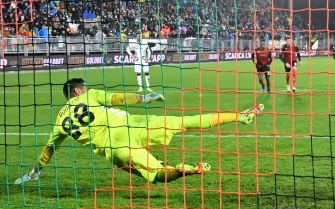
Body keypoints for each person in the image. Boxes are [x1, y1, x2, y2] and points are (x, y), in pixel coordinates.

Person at [15, 78, 264, 185]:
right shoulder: (90, 95)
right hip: (132, 126)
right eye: (84, 86)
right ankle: (241, 117)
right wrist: (146, 96)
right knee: (186, 122)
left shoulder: (60, 121)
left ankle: (185, 171)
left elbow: (49, 150)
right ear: (78, 91)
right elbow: (117, 97)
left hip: (116, 151)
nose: (87, 88)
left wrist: (34, 173)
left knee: (155, 176)